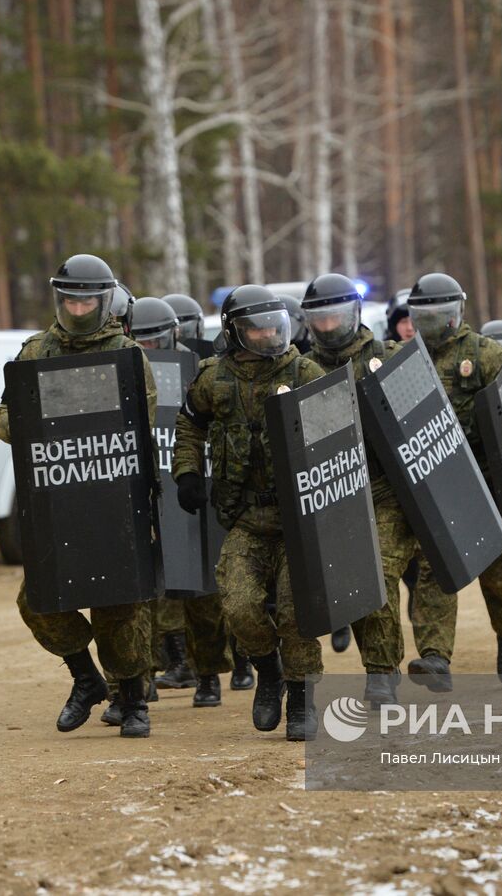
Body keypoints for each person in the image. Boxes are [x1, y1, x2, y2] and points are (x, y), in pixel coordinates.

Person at [0, 254, 157, 738]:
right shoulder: (36, 352)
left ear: (104, 301)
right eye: (71, 299)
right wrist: (24, 422)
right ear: (59, 299)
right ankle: (85, 678)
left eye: (88, 299)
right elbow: (4, 417)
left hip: (113, 496)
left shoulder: (127, 354)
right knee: (39, 600)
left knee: (118, 606)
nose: (79, 308)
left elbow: (143, 421)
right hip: (56, 501)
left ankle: (133, 701)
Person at [172, 285, 328, 740]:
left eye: (272, 327)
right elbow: (188, 425)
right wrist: (186, 473)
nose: (266, 335)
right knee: (239, 607)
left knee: (298, 612)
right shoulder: (212, 379)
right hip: (244, 518)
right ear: (234, 332)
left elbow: (338, 431)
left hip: (299, 519)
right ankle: (269, 672)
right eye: (255, 328)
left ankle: (301, 695)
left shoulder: (305, 371)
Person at [403, 273, 502, 687]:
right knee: (435, 571)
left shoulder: (486, 354)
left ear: (458, 312)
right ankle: (435, 657)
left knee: (498, 578)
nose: (434, 323)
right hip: (436, 487)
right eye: (425, 316)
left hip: (486, 487)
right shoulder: (404, 361)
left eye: (442, 314)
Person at [301, 273, 417, 705]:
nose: (328, 325)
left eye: (335, 315)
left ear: (351, 313)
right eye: (320, 317)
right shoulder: (300, 367)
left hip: (386, 490)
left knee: (378, 574)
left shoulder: (385, 356)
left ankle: (382, 673)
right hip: (332, 490)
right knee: (348, 580)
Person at [127, 296, 234, 707]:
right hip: (147, 488)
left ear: (174, 333)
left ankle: (209, 674)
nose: (151, 350)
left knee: (201, 593)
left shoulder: (199, 371)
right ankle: (146, 674)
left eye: (157, 341)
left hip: (190, 487)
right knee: (148, 591)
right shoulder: (126, 369)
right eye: (143, 342)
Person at [162, 293, 256, 693]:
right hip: (202, 492)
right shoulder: (202, 375)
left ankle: (249, 663)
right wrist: (186, 474)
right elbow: (186, 427)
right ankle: (204, 672)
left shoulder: (204, 369)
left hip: (244, 493)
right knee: (198, 591)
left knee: (236, 592)